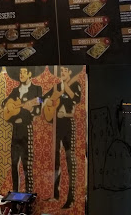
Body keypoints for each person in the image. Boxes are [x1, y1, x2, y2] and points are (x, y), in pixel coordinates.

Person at [43, 66, 82, 209]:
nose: (62, 73)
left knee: (70, 159)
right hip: (57, 124)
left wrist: (66, 86)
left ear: (70, 72)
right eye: (61, 71)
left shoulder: (75, 84)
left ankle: (71, 197)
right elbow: (42, 99)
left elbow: (77, 99)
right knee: (55, 159)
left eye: (65, 71)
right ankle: (55, 194)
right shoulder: (56, 87)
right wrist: (47, 101)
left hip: (68, 123)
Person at [2, 66, 43, 193]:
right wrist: (10, 106)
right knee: (14, 163)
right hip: (16, 129)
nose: (21, 74)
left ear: (30, 74)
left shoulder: (36, 89)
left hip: (26, 129)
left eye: (24, 72)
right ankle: (15, 191)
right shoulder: (15, 91)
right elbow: (4, 103)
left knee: (27, 163)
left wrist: (31, 108)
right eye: (20, 72)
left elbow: (40, 103)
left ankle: (28, 193)